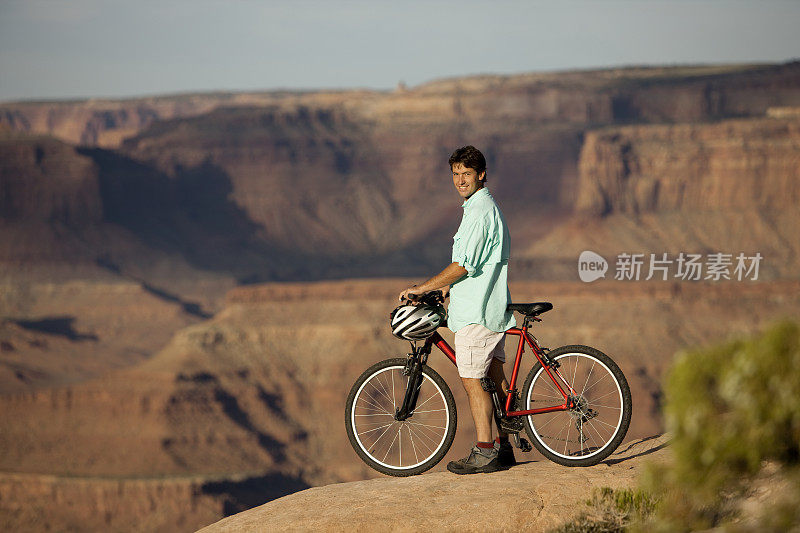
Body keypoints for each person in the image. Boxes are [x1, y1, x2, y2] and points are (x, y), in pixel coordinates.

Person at [399, 145, 516, 474]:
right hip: (487, 305)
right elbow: (476, 264)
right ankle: (506, 447)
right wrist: (449, 285)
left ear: (481, 174)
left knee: (472, 380)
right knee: (494, 377)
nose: (461, 180)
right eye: (456, 174)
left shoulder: (479, 211)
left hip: (477, 313)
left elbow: (464, 264)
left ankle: (485, 450)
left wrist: (424, 287)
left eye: (467, 174)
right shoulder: (478, 206)